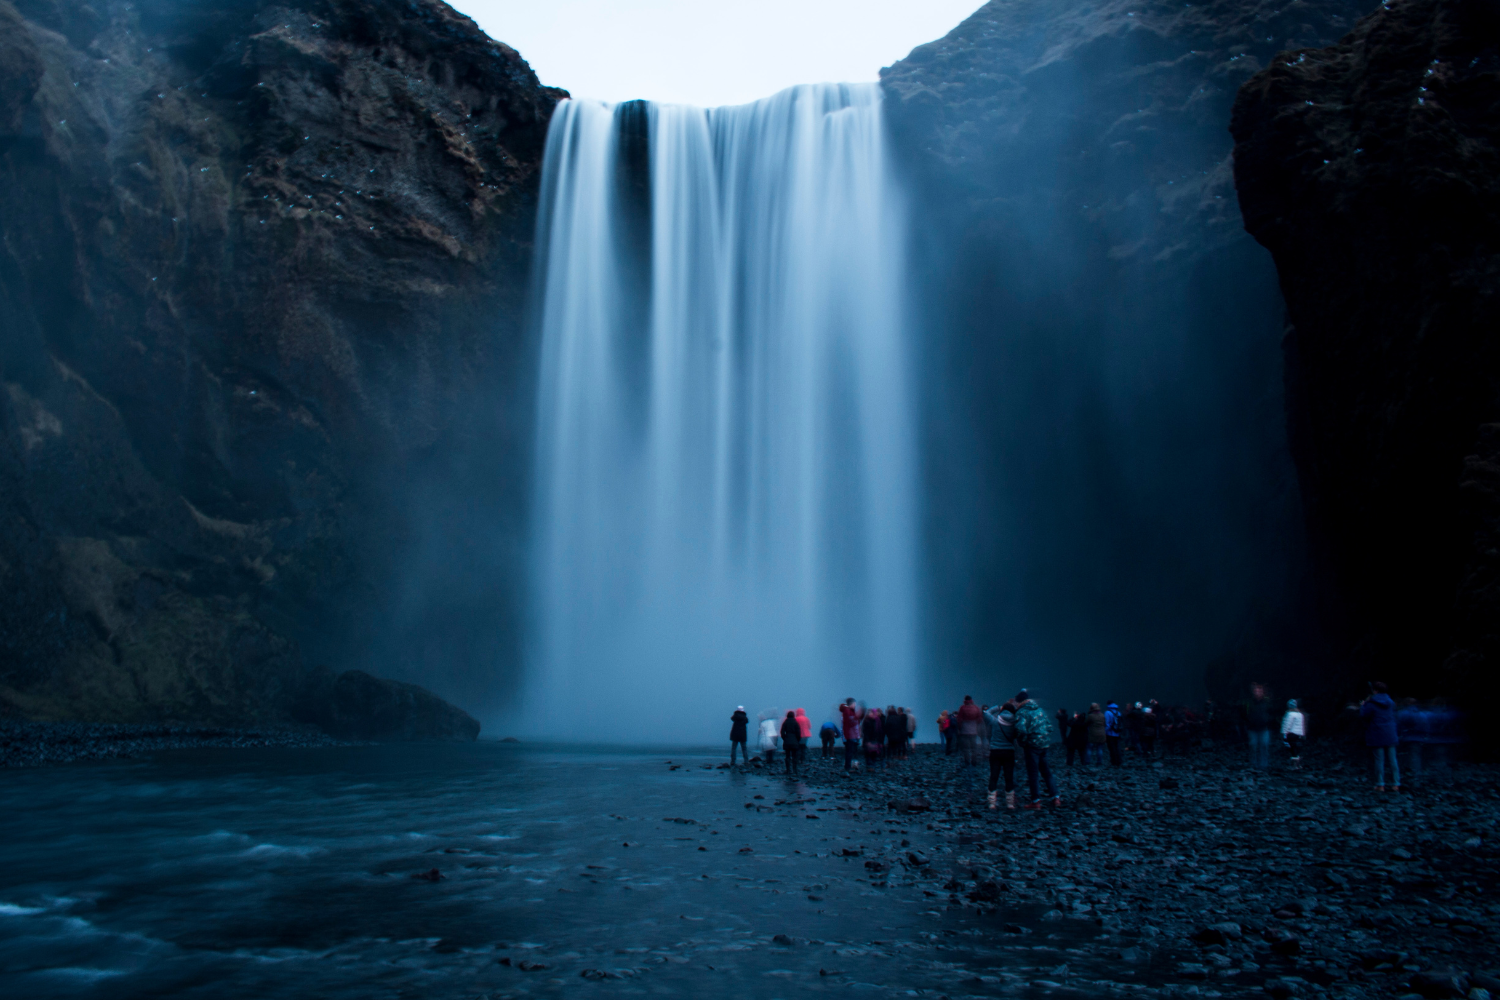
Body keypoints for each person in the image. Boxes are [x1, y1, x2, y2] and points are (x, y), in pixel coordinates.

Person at [1012, 689, 1060, 808]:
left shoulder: (1021, 712)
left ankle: (1036, 801)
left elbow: (1020, 730)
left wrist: (1022, 742)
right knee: (1047, 772)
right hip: (1044, 745)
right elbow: (1049, 727)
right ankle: (1056, 798)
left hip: (1031, 746)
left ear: (1019, 701)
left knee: (1033, 774)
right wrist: (1044, 737)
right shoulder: (1040, 710)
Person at [1361, 682, 1400, 790]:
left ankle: (1380, 784)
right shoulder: (1391, 702)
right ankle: (1396, 783)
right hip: (1390, 733)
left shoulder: (1371, 703)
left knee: (1379, 760)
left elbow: (1364, 716)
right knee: (1393, 759)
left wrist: (1363, 706)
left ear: (1375, 691)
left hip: (1377, 733)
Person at [985, 699, 1019, 809]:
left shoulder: (995, 721)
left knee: (994, 776)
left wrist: (999, 707)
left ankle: (992, 803)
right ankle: (1010, 803)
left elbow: (986, 713)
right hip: (1009, 752)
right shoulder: (1015, 722)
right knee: (1009, 777)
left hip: (995, 751)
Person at [955, 695, 983, 784]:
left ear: (965, 700)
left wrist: (959, 729)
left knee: (966, 749)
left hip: (964, 730)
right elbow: (979, 719)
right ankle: (974, 762)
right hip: (973, 730)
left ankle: (967, 762)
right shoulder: (976, 708)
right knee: (974, 748)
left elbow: (959, 720)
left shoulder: (962, 708)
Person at [839, 698, 864, 772]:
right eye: (854, 704)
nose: (855, 705)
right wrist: (859, 715)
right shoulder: (847, 711)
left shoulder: (848, 711)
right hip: (850, 735)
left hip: (851, 735)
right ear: (851, 704)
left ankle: (849, 766)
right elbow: (851, 723)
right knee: (850, 751)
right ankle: (848, 767)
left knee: (850, 751)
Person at [1281, 698, 1306, 768]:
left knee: (1292, 749)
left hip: (1291, 734)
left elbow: (1287, 725)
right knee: (1296, 749)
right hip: (1299, 735)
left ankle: (1294, 765)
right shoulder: (1300, 714)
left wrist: (1284, 734)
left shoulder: (1289, 714)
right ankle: (1298, 764)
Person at [780, 710, 804, 777]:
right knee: (794, 756)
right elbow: (798, 733)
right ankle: (795, 770)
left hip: (787, 741)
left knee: (787, 756)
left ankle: (788, 770)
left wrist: (785, 738)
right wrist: (797, 740)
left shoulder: (785, 722)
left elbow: (782, 732)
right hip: (794, 741)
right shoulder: (796, 723)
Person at [862, 706, 885, 770]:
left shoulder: (877, 720)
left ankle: (872, 765)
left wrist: (880, 740)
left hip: (875, 739)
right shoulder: (867, 721)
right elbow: (865, 731)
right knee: (868, 753)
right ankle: (870, 765)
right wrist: (867, 740)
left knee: (873, 753)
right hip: (869, 739)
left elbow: (880, 731)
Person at [1104, 701, 1123, 766]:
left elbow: (1107, 724)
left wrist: (1105, 732)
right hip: (1117, 733)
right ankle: (1119, 761)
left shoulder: (1107, 712)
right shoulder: (1118, 712)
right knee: (1117, 747)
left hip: (1110, 733)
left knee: (1112, 748)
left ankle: (1114, 761)